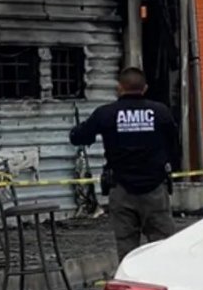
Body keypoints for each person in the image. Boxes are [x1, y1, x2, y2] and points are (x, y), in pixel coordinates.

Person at [70, 67, 180, 259]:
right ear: (144, 88)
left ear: (119, 88)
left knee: (127, 249)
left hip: (121, 189)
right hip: (155, 190)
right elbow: (174, 145)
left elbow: (78, 137)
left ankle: (132, 287)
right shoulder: (160, 112)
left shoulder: (106, 114)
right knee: (163, 247)